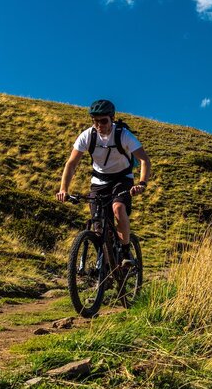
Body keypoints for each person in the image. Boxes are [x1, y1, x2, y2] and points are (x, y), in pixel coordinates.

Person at [56, 99, 151, 265]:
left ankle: (125, 252)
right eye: (95, 121)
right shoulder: (87, 136)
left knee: (118, 208)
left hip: (122, 179)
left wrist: (142, 183)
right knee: (98, 227)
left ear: (112, 118)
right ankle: (105, 266)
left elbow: (144, 160)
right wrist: (63, 189)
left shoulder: (123, 135)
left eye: (103, 121)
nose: (99, 125)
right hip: (99, 181)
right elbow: (71, 164)